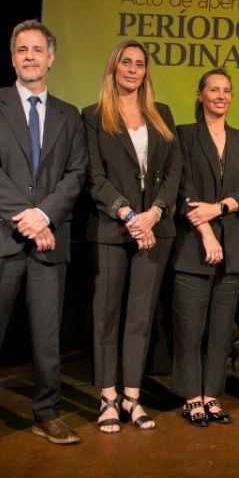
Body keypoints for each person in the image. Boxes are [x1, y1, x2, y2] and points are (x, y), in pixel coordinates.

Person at [0, 20, 87, 454]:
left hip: (51, 238)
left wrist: (45, 215)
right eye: (21, 50)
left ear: (51, 58)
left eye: (37, 49)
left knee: (48, 335)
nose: (30, 56)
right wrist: (26, 218)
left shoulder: (71, 115)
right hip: (1, 236)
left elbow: (76, 174)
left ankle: (47, 415)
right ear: (12, 57)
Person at [84, 40, 181, 432]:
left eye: (140, 64)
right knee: (107, 317)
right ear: (114, 67)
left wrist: (154, 213)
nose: (133, 69)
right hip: (112, 229)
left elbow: (174, 172)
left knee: (140, 319)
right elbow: (95, 176)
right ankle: (107, 398)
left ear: (146, 72)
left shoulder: (162, 115)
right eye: (126, 62)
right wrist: (128, 214)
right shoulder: (93, 116)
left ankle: (132, 398)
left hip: (154, 230)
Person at [171, 70, 239, 427]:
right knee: (191, 328)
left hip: (233, 247)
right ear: (200, 95)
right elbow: (182, 189)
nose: (220, 96)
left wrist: (219, 208)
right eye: (213, 90)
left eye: (226, 90)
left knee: (221, 328)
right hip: (193, 245)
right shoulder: (184, 136)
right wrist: (206, 231)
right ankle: (191, 397)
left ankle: (211, 396)